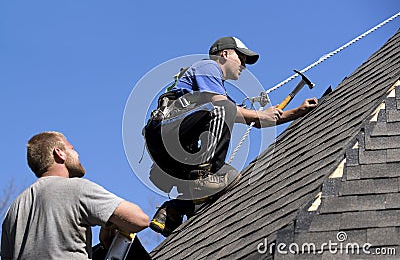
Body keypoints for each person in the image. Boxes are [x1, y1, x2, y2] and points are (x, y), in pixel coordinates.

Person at [144, 36, 318, 236]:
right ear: (224, 54)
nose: (244, 65)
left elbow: (255, 121)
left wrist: (297, 111)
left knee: (230, 177)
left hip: (176, 151)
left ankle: (173, 210)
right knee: (224, 109)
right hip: (165, 134)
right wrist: (260, 113)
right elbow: (225, 107)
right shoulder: (208, 67)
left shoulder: (217, 92)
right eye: (241, 58)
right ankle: (201, 178)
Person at [1, 131, 149, 259]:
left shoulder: (13, 212)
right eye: (72, 149)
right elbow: (139, 220)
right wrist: (111, 223)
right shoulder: (76, 188)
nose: (77, 154)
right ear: (59, 153)